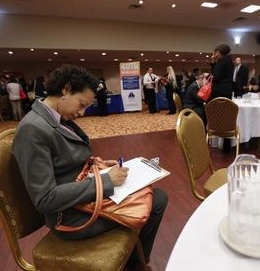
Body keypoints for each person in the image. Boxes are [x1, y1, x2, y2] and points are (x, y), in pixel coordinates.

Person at [12, 64, 168, 268]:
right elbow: (45, 199)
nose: (83, 112)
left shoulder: (53, 118)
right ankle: (135, 265)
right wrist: (105, 180)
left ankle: (134, 261)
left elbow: (67, 163)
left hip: (82, 200)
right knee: (155, 200)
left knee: (147, 194)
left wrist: (99, 166)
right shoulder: (32, 129)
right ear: (66, 89)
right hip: (69, 217)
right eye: (82, 104)